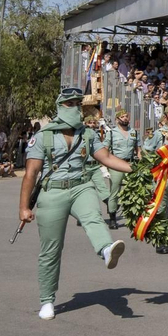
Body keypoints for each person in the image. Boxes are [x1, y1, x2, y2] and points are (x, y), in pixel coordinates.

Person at [19, 88, 133, 320]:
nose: (75, 108)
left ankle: (106, 249)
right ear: (60, 107)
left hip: (81, 186)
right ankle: (47, 300)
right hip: (52, 193)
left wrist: (137, 168)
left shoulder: (88, 134)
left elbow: (107, 158)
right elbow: (31, 173)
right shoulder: (44, 136)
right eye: (70, 104)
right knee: (51, 250)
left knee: (92, 216)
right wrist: (23, 207)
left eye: (78, 104)